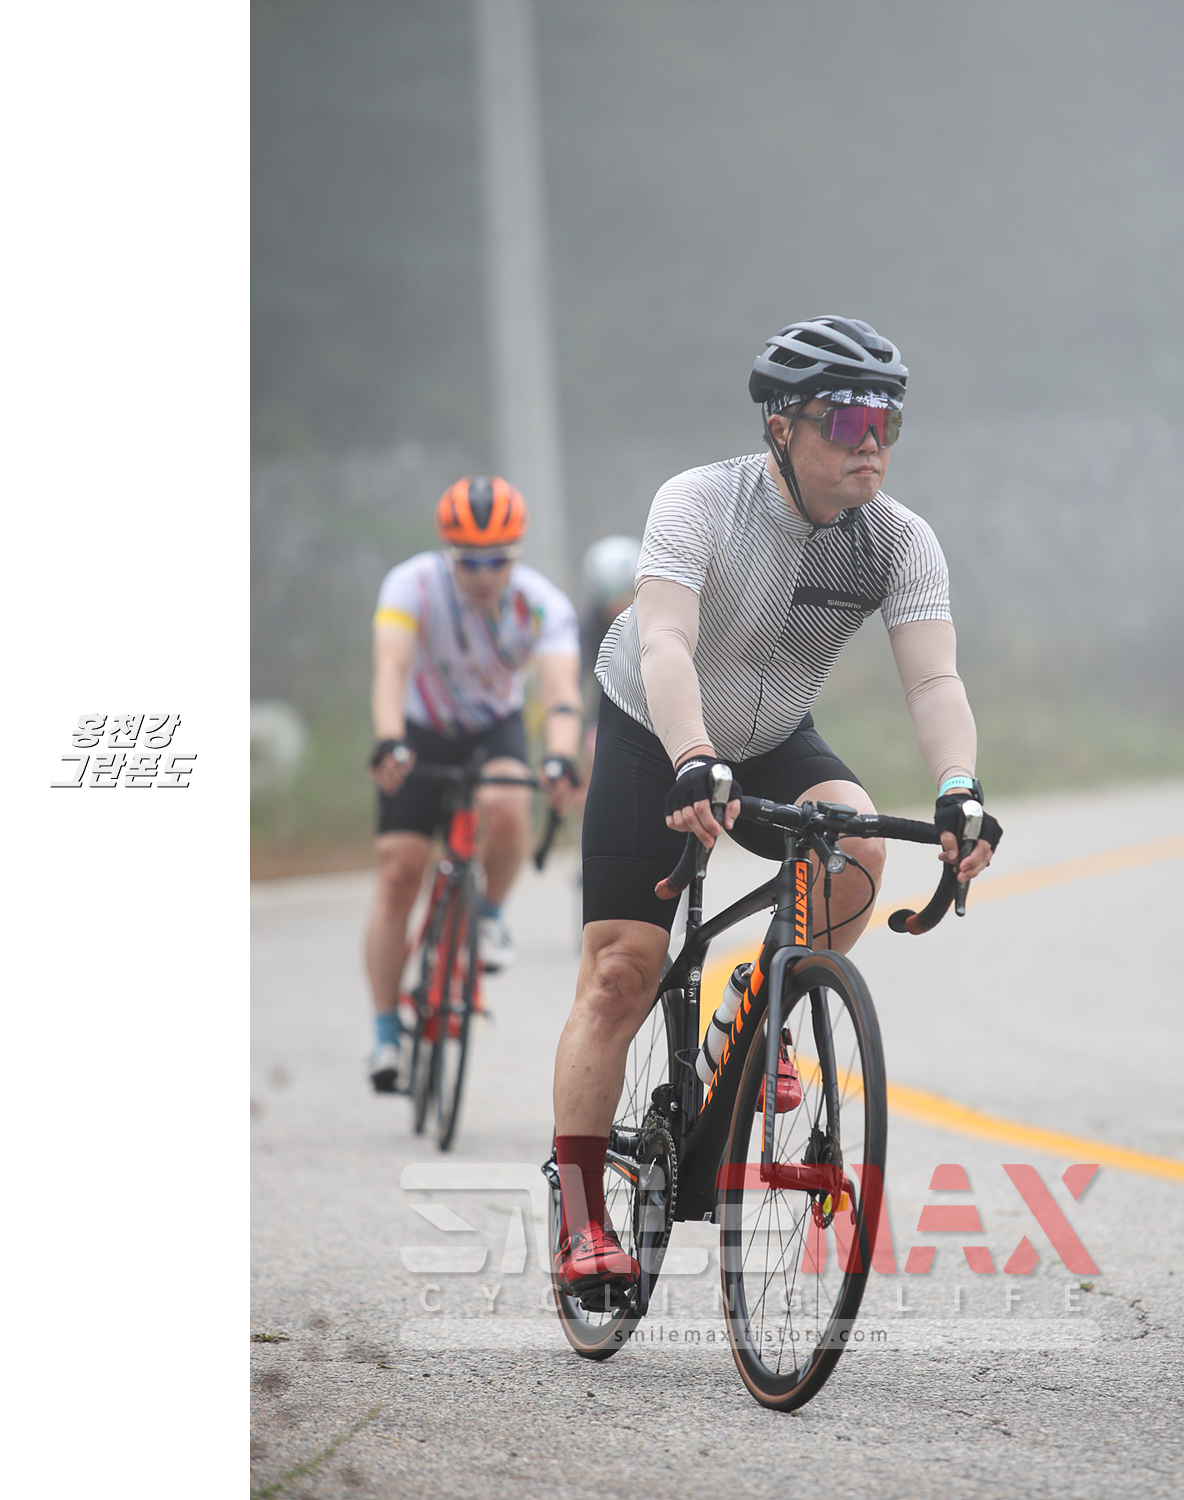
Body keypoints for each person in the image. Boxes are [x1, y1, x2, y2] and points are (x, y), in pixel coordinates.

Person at [549, 316, 1002, 1293]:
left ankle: (759, 1010)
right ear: (782, 427)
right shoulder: (699, 502)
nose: (871, 442)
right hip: (652, 729)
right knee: (622, 974)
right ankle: (580, 1218)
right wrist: (692, 757)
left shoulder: (899, 540)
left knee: (859, 849)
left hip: (772, 736)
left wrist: (959, 790)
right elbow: (665, 641)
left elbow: (934, 681)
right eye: (846, 421)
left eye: (886, 422)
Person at [365, 475, 585, 1092]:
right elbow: (390, 668)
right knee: (399, 874)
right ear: (448, 552)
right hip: (420, 728)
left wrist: (559, 757)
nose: (483, 574)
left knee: (508, 803)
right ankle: (385, 1033)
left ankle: (487, 916)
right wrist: (390, 739)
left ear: (516, 554)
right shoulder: (411, 586)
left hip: (494, 728)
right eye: (468, 561)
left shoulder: (541, 604)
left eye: (497, 561)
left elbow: (561, 692)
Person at [577, 534, 642, 768]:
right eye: (607, 597)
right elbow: (576, 676)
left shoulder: (656, 619)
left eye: (623, 593)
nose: (616, 605)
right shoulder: (590, 627)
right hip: (608, 712)